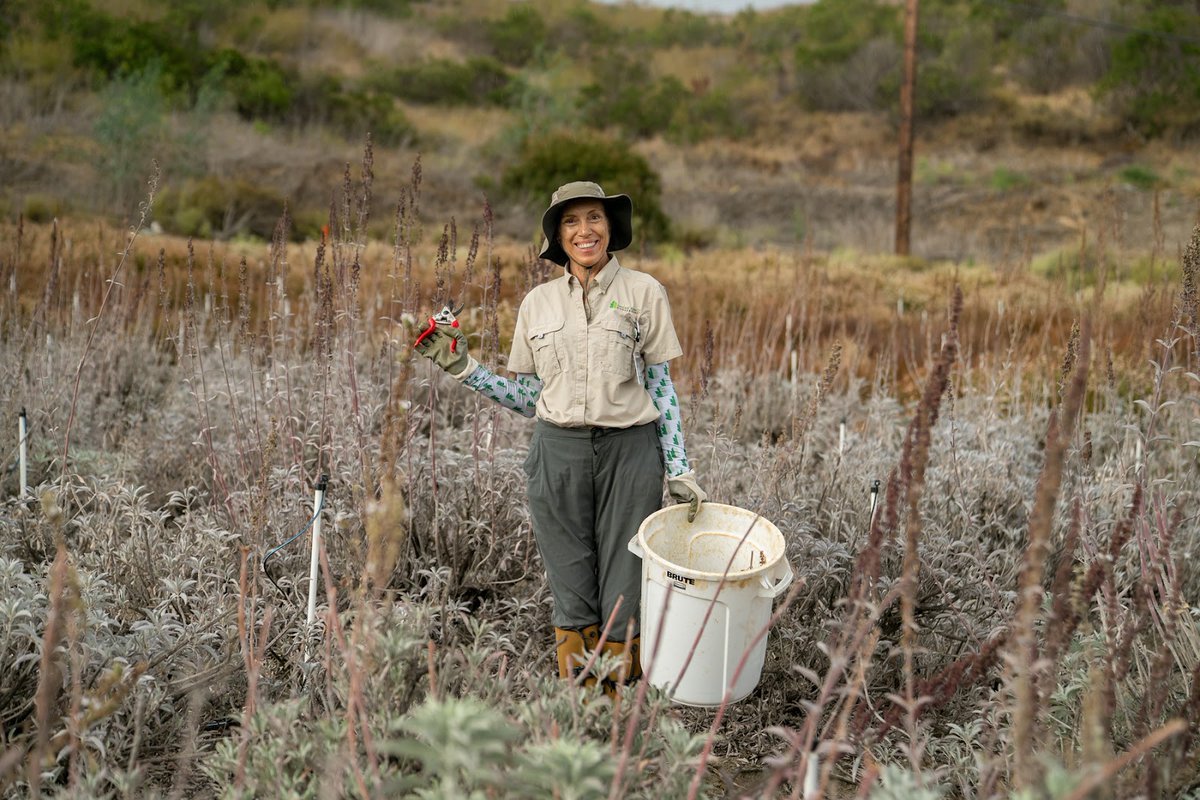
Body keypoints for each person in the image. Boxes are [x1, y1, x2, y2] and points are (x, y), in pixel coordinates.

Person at [414, 180, 705, 693]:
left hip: (630, 453)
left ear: (610, 227)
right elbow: (529, 398)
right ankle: (580, 700)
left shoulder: (644, 293)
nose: (584, 230)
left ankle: (616, 703)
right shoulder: (538, 304)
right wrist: (465, 368)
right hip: (557, 452)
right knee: (570, 582)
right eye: (571, 221)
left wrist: (678, 468)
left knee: (625, 579)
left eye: (594, 217)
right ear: (557, 235)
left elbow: (661, 387)